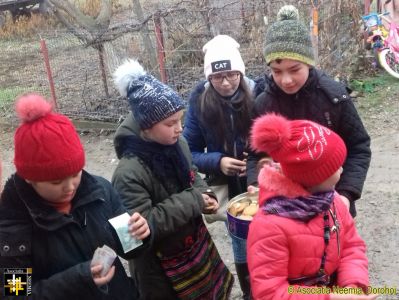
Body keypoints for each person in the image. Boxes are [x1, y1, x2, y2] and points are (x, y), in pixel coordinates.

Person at [0, 93, 151, 299]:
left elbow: (131, 250)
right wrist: (79, 280)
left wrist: (140, 234)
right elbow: (16, 294)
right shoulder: (11, 225)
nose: (69, 187)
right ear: (29, 178)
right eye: (56, 182)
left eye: (75, 173)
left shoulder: (101, 191)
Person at [112, 59, 233, 300]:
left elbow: (193, 177)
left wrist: (205, 195)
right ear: (146, 126)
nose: (180, 128)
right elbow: (137, 235)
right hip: (161, 271)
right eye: (170, 123)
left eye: (180, 119)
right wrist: (194, 200)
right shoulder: (128, 174)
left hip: (195, 247)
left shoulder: (178, 144)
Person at [247, 5, 371, 218]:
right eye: (277, 72)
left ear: (308, 63)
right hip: (283, 207)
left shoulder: (334, 96)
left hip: (332, 201)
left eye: (295, 70)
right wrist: (253, 181)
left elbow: (359, 147)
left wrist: (346, 194)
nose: (286, 80)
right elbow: (255, 155)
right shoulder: (263, 104)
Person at [247, 113, 377, 300]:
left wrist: (352, 285)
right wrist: (330, 297)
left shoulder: (332, 200)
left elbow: (351, 245)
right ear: (315, 178)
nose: (342, 169)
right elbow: (270, 293)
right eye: (335, 167)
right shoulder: (269, 225)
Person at [183, 34, 265, 299]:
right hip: (226, 184)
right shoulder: (199, 103)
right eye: (218, 77)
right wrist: (218, 160)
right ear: (209, 78)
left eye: (232, 74)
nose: (226, 82)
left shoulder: (259, 93)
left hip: (261, 180)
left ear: (241, 72)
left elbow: (273, 138)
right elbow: (188, 151)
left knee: (269, 234)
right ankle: (250, 292)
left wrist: (254, 163)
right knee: (239, 240)